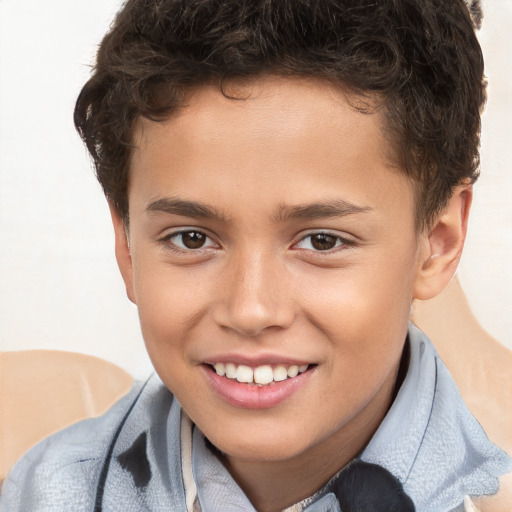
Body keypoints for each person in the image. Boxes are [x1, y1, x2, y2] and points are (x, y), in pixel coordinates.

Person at [1, 0, 510, 510]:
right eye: (192, 239)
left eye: (322, 241)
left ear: (438, 243)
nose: (250, 310)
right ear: (128, 247)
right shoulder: (44, 493)